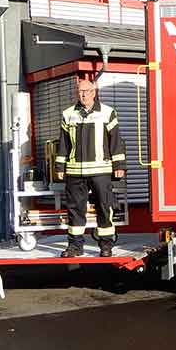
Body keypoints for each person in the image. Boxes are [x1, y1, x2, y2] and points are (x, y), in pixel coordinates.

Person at [54, 78, 126, 257]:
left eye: (86, 91)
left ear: (94, 92)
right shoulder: (68, 114)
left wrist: (119, 165)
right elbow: (63, 144)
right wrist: (60, 167)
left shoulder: (108, 112)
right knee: (75, 209)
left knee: (104, 206)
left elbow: (116, 141)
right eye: (80, 91)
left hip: (100, 171)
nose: (83, 94)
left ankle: (106, 245)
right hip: (74, 172)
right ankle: (75, 247)